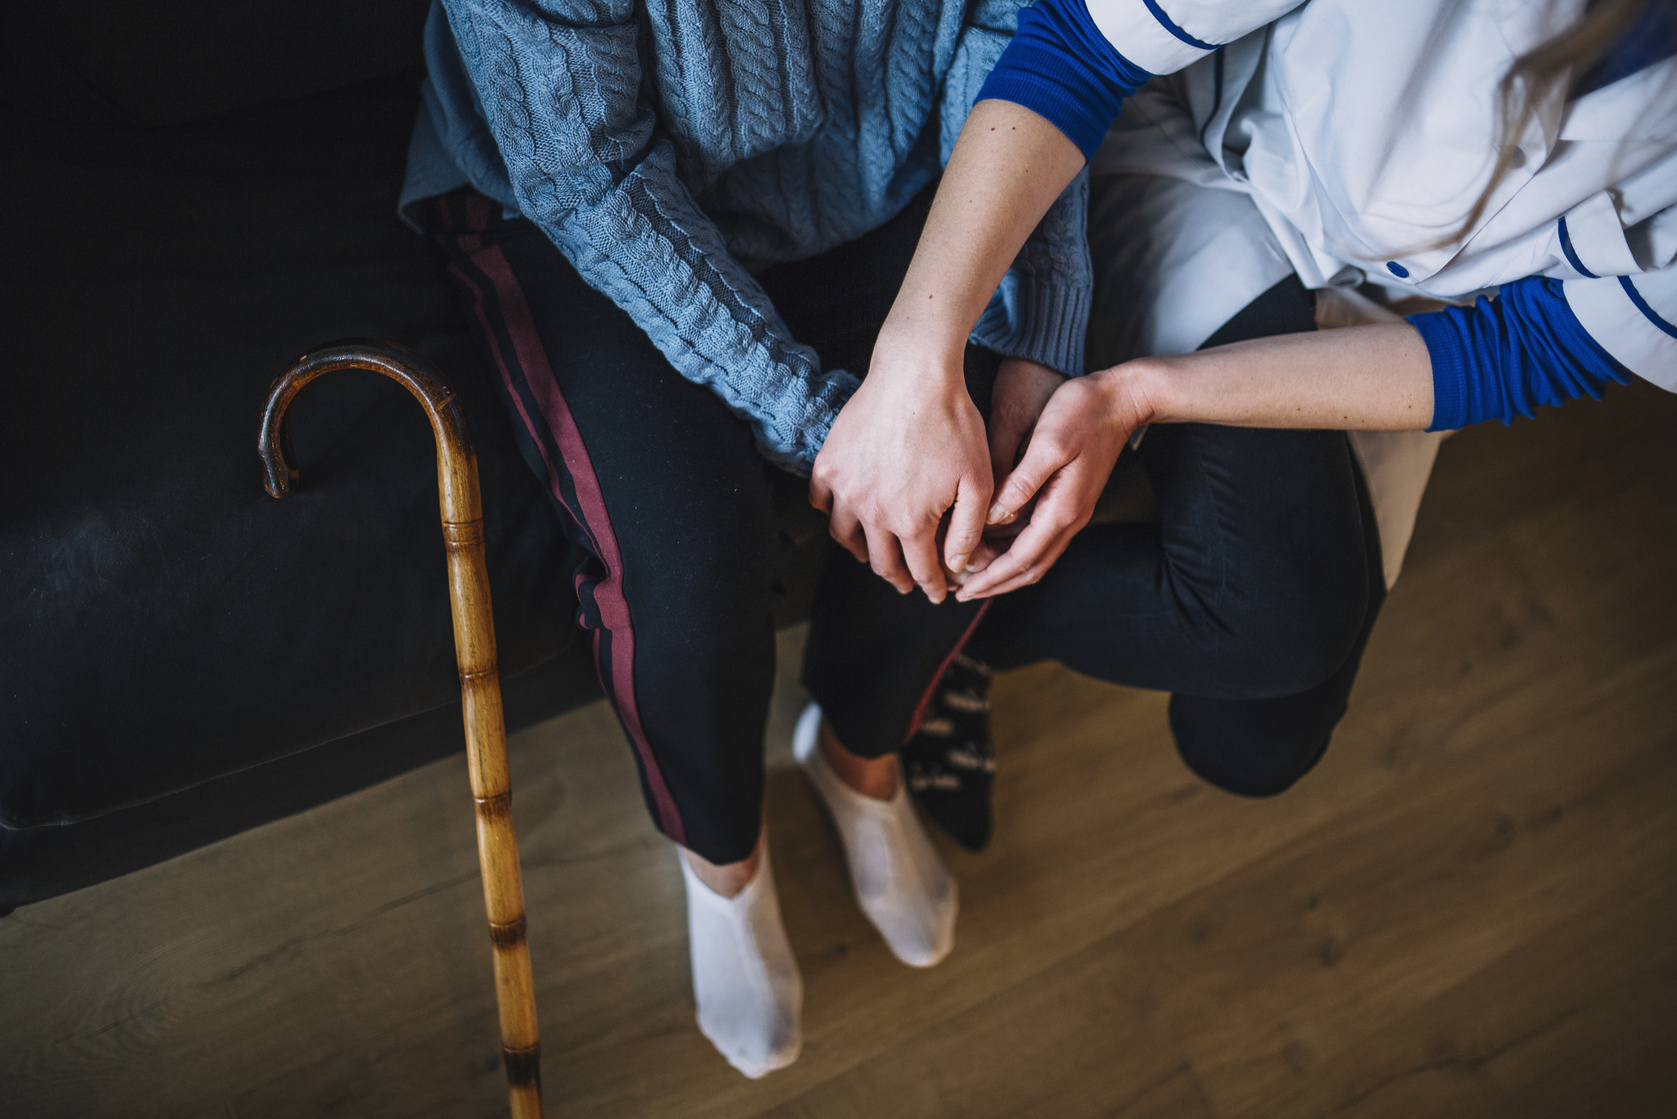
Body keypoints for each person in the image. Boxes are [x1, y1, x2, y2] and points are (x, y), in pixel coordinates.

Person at [396, 0, 1093, 1079]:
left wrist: (1033, 323)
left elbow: (1029, 27)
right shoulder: (574, 169)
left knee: (987, 464)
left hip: (892, 158)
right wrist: (831, 429)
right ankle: (723, 859)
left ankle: (860, 753)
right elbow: (587, 175)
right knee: (692, 564)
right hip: (573, 192)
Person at [810, 0, 1676, 838]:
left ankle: (942, 636)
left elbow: (1529, 348)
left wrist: (1142, 393)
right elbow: (1078, 41)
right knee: (1277, 621)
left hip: (1412, 309)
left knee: (1255, 748)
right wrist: (914, 365)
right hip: (1204, 156)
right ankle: (903, 665)